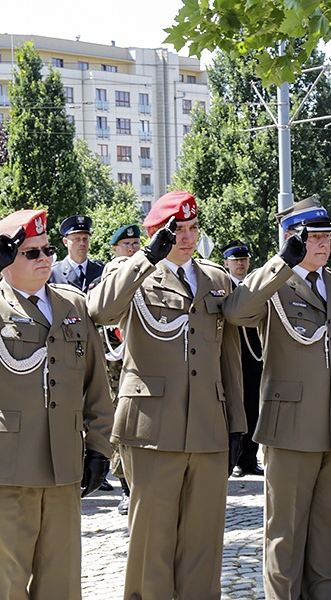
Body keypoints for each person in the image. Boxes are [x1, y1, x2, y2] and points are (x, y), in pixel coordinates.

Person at [0, 209, 113, 599]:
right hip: (8, 467)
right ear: (6, 259)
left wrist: (99, 448)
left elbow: (96, 386)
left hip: (62, 464)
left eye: (46, 250)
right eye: (30, 253)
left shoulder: (73, 306)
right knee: (7, 582)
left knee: (61, 581)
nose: (44, 258)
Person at [87, 191, 245, 600]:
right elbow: (100, 311)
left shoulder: (216, 279)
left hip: (208, 426)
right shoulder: (133, 271)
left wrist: (236, 424)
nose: (188, 238)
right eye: (178, 231)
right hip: (152, 426)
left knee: (204, 542)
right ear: (157, 234)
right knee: (152, 540)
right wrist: (145, 259)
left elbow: (229, 358)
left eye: (193, 229)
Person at [223, 195, 331, 600]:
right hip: (290, 430)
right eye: (314, 237)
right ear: (292, 239)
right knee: (285, 538)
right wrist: (281, 263)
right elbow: (237, 312)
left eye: (327, 236)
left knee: (329, 538)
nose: (323, 244)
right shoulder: (274, 280)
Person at [93, 223, 143, 513]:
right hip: (114, 365)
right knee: (118, 420)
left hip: (140, 361)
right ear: (115, 249)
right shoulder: (112, 274)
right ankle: (124, 484)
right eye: (127, 245)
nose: (133, 249)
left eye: (136, 244)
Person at [222, 239, 265, 477]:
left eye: (244, 259)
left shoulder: (255, 286)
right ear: (226, 262)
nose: (240, 264)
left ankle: (249, 458)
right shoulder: (220, 285)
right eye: (236, 260)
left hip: (253, 355)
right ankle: (232, 457)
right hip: (230, 355)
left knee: (252, 406)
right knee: (232, 407)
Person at [49, 214, 105, 291]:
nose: (82, 243)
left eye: (85, 239)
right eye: (77, 239)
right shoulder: (53, 273)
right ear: (65, 242)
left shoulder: (102, 270)